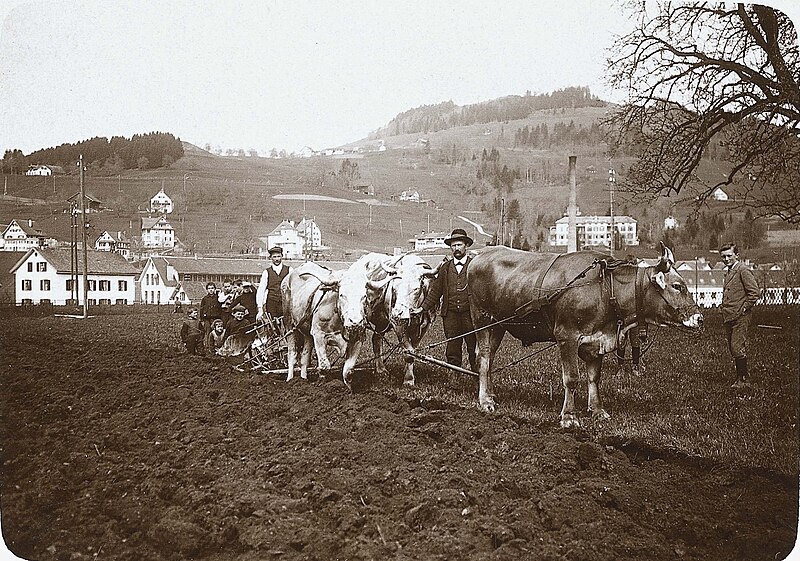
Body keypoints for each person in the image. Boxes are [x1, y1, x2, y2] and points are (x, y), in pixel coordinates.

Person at [422, 228, 477, 372]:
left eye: (459, 245)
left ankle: (477, 377)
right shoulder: (445, 268)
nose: (456, 248)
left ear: (466, 245)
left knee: (473, 346)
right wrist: (422, 309)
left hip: (470, 315)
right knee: (452, 347)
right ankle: (455, 376)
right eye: (453, 245)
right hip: (450, 315)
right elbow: (436, 292)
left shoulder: (475, 266)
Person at [720, 242, 761, 388]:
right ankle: (740, 377)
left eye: (729, 256)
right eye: (723, 256)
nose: (726, 259)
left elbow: (754, 293)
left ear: (736, 255)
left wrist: (744, 309)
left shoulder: (742, 270)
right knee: (733, 348)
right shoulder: (730, 271)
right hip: (729, 316)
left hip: (740, 316)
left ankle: (743, 380)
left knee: (737, 347)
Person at [256, 246, 292, 322]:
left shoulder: (289, 270)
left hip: (285, 302)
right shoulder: (266, 272)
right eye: (274, 257)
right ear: (270, 258)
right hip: (272, 303)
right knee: (273, 325)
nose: (277, 259)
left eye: (278, 256)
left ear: (282, 256)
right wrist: (260, 309)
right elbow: (261, 290)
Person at [199, 282, 223, 352]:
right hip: (207, 319)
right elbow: (201, 309)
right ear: (207, 290)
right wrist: (202, 319)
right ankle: (207, 347)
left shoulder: (218, 298)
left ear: (215, 289)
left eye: (212, 288)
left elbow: (220, 308)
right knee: (208, 332)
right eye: (209, 288)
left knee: (216, 332)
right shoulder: (205, 299)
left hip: (216, 318)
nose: (211, 290)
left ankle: (217, 346)